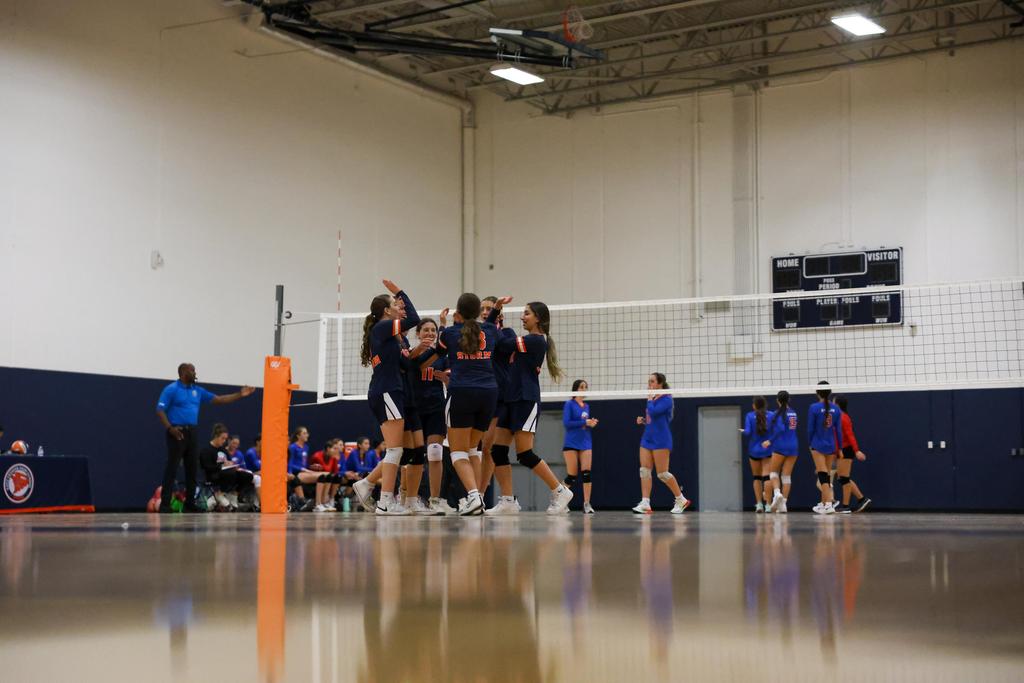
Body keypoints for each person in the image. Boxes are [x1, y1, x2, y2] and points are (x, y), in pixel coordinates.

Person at [488, 300, 574, 515]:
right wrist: (496, 322)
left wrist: (495, 317)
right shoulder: (526, 340)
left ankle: (560, 490)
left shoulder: (535, 341)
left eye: (526, 313)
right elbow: (501, 344)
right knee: (497, 451)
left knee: (525, 454)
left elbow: (502, 344)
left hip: (526, 399)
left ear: (538, 318)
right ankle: (508, 500)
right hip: (511, 399)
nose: (522, 317)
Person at [430, 292, 508, 515]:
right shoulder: (491, 330)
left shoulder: (449, 333)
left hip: (462, 392)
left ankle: (473, 496)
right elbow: (490, 327)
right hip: (489, 393)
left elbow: (439, 352)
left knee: (457, 452)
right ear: (478, 312)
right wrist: (496, 310)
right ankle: (477, 497)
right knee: (473, 449)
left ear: (458, 313)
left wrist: (443, 325)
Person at [352, 279, 420, 515]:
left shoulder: (389, 335)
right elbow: (414, 319)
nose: (398, 306)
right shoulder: (382, 327)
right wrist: (400, 291)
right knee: (395, 450)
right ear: (386, 310)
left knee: (398, 450)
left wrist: (420, 351)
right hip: (386, 391)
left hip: (391, 391)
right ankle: (384, 502)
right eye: (394, 304)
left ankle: (368, 485)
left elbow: (405, 365)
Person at [155, 363, 254, 513]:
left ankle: (190, 504)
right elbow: (160, 410)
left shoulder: (197, 390)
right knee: (172, 468)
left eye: (194, 370)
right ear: (183, 373)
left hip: (192, 432)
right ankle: (165, 505)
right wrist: (170, 428)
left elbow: (219, 399)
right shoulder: (172, 389)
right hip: (177, 431)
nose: (194, 373)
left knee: (192, 469)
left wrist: (239, 394)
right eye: (192, 370)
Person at [632, 373, 690, 514]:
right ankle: (645, 503)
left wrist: (649, 398)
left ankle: (681, 499)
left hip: (661, 439)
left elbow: (654, 412)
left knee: (662, 474)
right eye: (649, 381)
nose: (649, 384)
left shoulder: (667, 399)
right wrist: (644, 420)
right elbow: (652, 418)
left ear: (660, 383)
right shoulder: (653, 398)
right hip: (647, 437)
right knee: (644, 470)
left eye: (652, 381)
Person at [199, 423, 256, 511]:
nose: (224, 441)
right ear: (216, 436)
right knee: (230, 474)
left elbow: (229, 462)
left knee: (247, 476)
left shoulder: (223, 450)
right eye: (222, 438)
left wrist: (231, 464)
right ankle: (218, 494)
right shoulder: (206, 450)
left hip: (227, 473)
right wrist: (221, 466)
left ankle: (234, 494)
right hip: (214, 475)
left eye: (225, 439)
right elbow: (207, 467)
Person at [563, 380, 598, 514]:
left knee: (586, 474)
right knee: (571, 476)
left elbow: (584, 423)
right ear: (575, 389)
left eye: (585, 387)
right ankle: (560, 501)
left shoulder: (586, 406)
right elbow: (567, 423)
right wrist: (584, 422)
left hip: (585, 442)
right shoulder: (569, 404)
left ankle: (587, 504)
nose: (584, 389)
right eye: (582, 387)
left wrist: (590, 423)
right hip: (571, 443)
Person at [808, 381, 842, 515]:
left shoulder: (814, 407)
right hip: (831, 444)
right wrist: (840, 448)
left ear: (817, 393)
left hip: (818, 444)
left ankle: (828, 504)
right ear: (830, 392)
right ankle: (823, 504)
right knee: (826, 475)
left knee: (822, 475)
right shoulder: (836, 409)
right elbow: (838, 431)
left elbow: (810, 429)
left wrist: (810, 443)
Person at [832, 396, 871, 513]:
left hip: (846, 450)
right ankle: (862, 499)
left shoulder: (843, 417)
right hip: (841, 450)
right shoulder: (837, 417)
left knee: (844, 478)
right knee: (842, 478)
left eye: (833, 403)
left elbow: (850, 435)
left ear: (837, 405)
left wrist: (856, 450)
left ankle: (846, 506)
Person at [762, 391, 798, 513]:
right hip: (793, 446)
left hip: (780, 446)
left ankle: (777, 493)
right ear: (789, 399)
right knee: (786, 476)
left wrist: (770, 441)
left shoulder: (776, 414)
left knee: (773, 473)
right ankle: (783, 504)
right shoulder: (793, 413)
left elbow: (780, 429)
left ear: (777, 400)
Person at [740, 396, 773, 512]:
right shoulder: (771, 415)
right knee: (767, 477)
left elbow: (748, 432)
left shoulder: (749, 416)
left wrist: (743, 431)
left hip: (754, 450)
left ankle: (759, 504)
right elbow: (776, 430)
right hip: (767, 449)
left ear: (754, 405)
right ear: (765, 404)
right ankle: (768, 505)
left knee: (757, 477)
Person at [309, 439, 344, 512]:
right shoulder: (317, 456)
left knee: (337, 477)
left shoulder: (333, 457)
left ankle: (329, 500)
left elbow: (335, 471)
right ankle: (318, 504)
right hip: (314, 476)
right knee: (325, 476)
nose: (336, 451)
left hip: (326, 477)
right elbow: (321, 469)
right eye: (334, 449)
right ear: (328, 449)